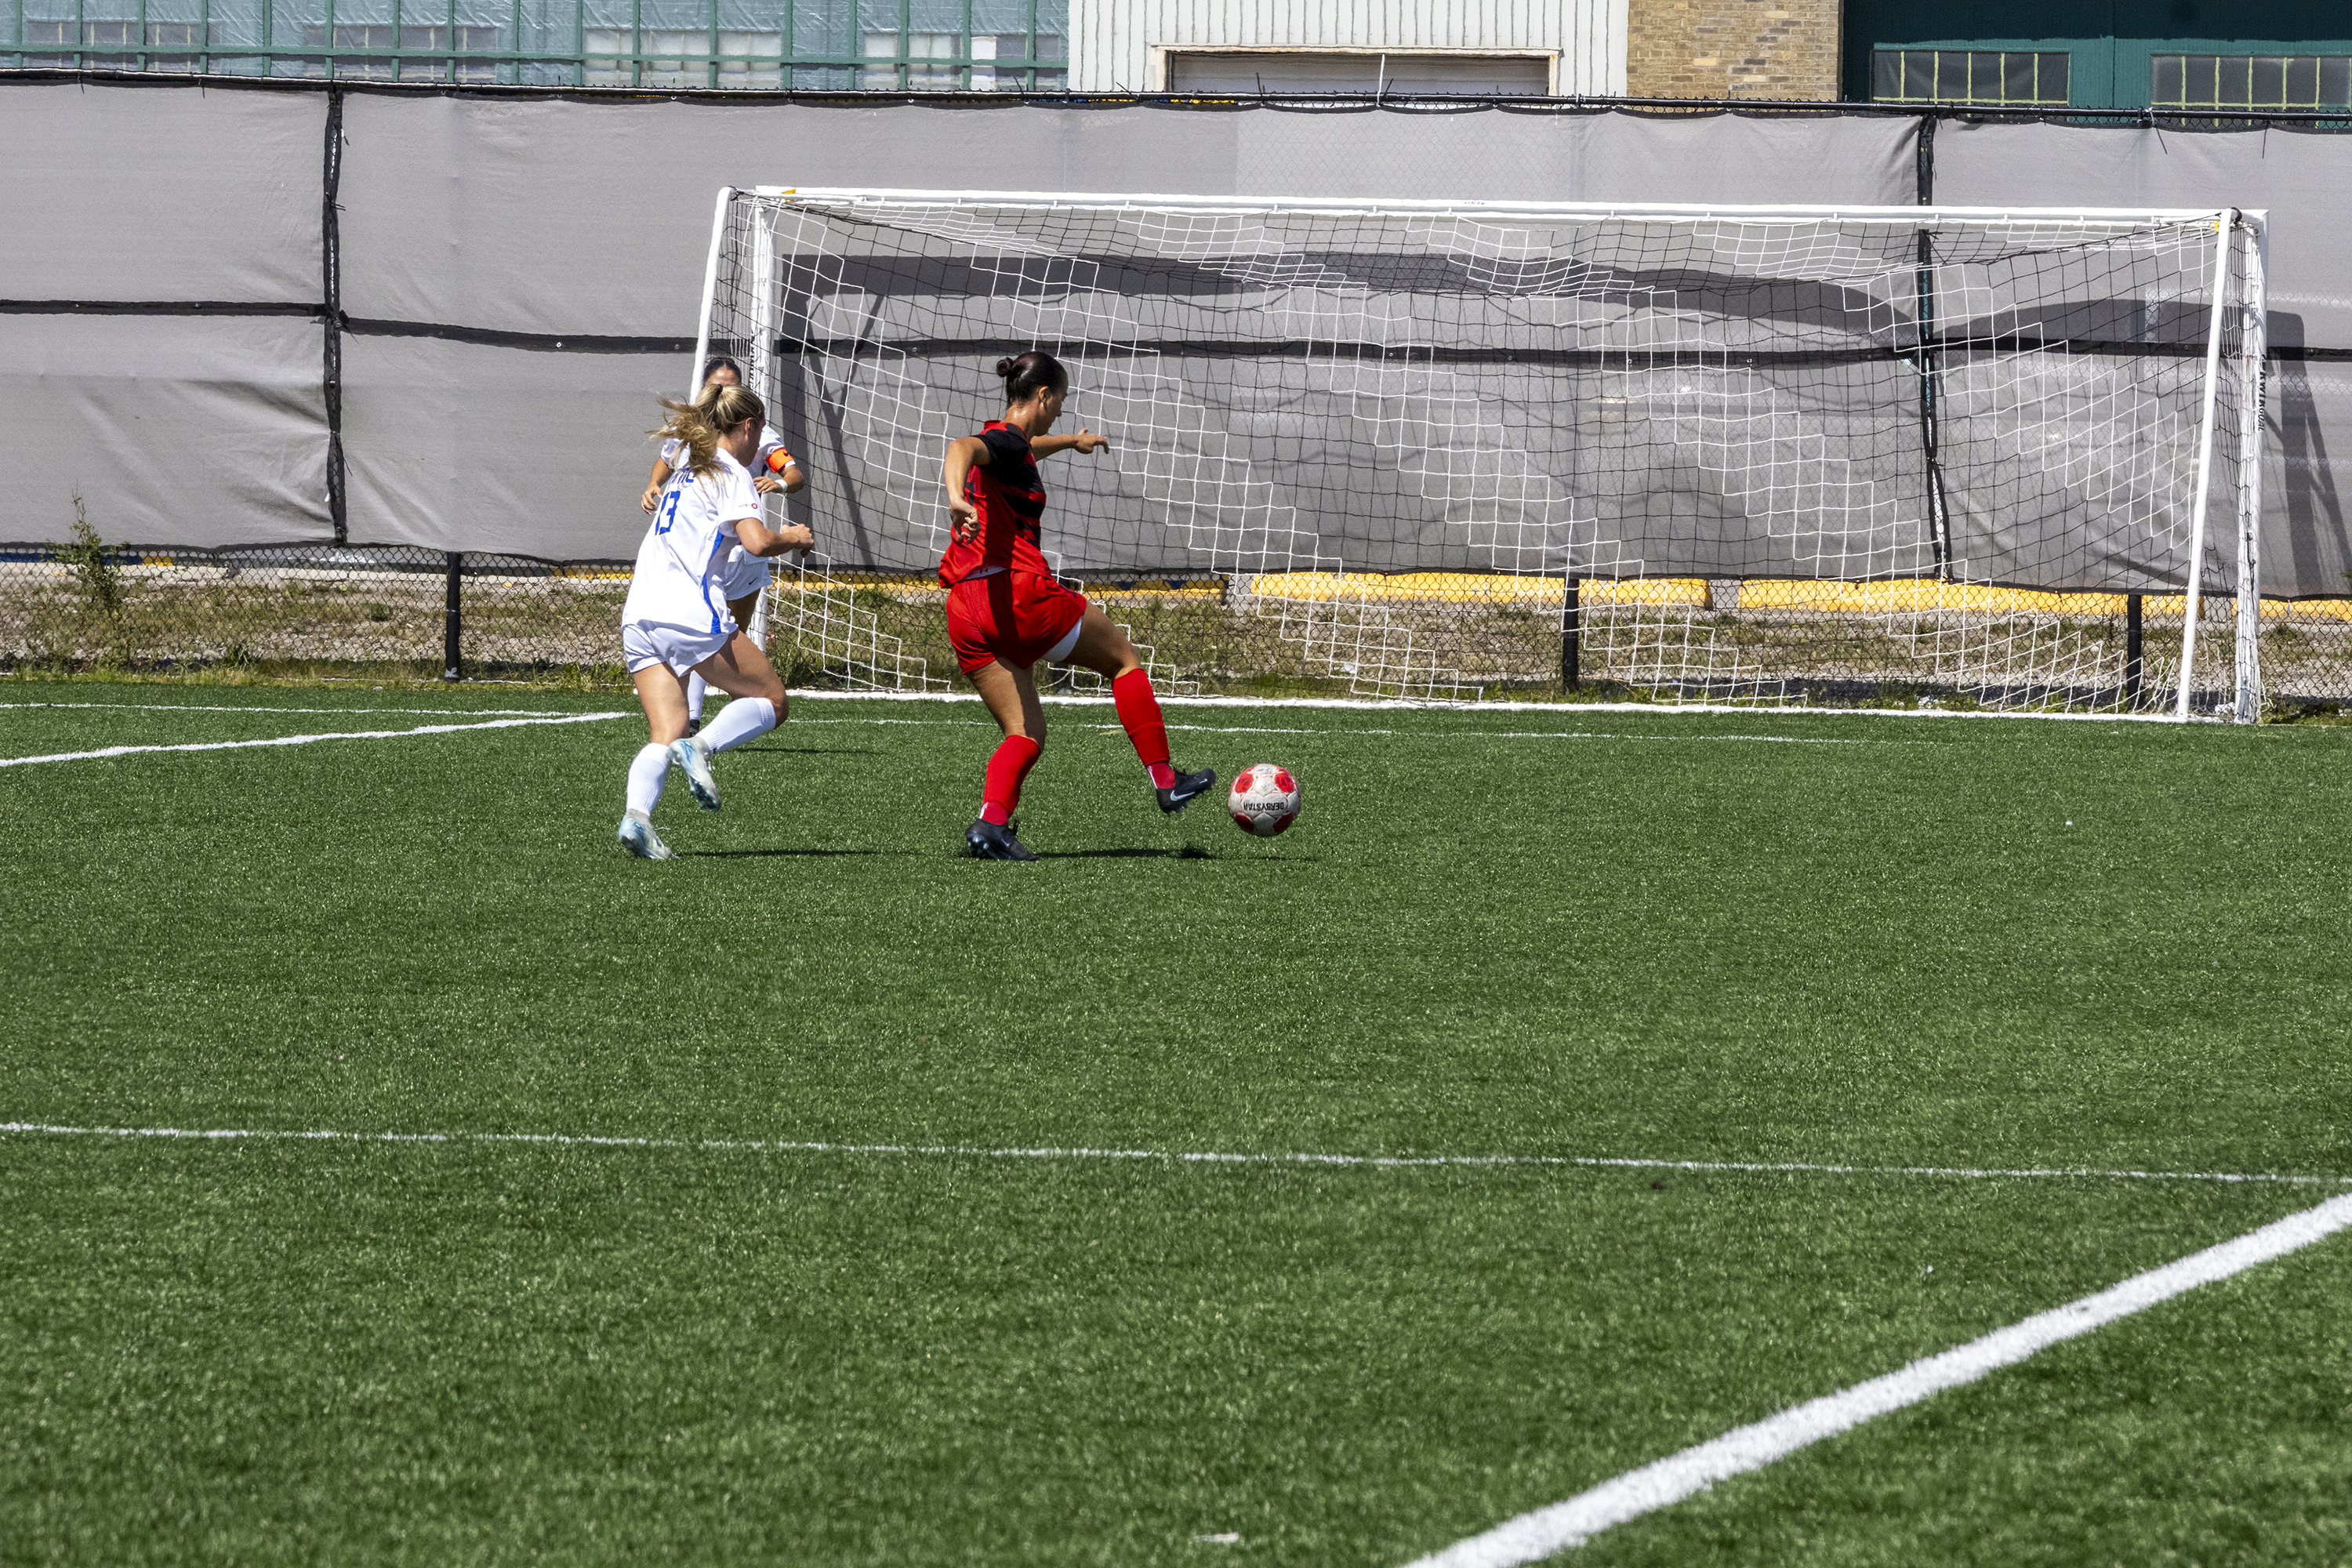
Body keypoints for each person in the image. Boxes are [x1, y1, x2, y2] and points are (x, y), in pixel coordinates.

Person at [939, 350, 1213, 861]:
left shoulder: (1011, 443)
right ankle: (1165, 779)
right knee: (1124, 661)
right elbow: (962, 447)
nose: (1061, 411)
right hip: (1017, 594)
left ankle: (990, 825)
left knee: (1026, 733)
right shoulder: (995, 441)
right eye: (1060, 402)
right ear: (1043, 396)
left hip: (965, 608)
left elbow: (1021, 448)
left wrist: (1073, 442)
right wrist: (956, 497)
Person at [617, 383, 814, 859]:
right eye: (759, 430)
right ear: (748, 427)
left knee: (667, 729)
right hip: (688, 613)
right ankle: (701, 748)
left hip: (639, 613)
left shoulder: (687, 468)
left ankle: (636, 819)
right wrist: (793, 536)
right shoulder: (731, 472)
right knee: (773, 700)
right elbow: (757, 544)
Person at [642, 356, 805, 736]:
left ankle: (697, 728)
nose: (722, 390)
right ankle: (702, 731)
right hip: (710, 552)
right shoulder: (696, 441)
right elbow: (662, 463)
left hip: (728, 555)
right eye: (717, 384)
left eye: (730, 384)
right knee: (718, 641)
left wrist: (778, 484)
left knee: (726, 634)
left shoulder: (760, 437)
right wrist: (653, 484)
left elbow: (793, 474)